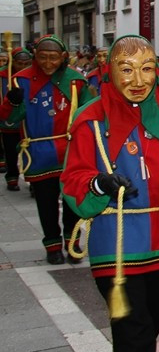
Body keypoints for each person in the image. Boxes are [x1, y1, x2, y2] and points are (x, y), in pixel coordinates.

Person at [61, 35, 159, 352]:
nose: (138, 79)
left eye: (146, 68)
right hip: (116, 249)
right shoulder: (91, 120)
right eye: (126, 69)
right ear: (110, 70)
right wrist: (98, 184)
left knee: (148, 330)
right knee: (132, 336)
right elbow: (72, 182)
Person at [0, 35, 94, 264]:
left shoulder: (76, 81)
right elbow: (9, 120)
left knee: (73, 201)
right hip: (40, 152)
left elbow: (88, 115)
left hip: (71, 151)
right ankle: (52, 245)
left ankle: (72, 242)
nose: (48, 63)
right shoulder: (21, 81)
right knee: (46, 201)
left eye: (53, 58)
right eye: (43, 57)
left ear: (63, 57)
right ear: (35, 57)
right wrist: (11, 102)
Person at [1, 48, 31, 191]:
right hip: (9, 123)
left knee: (32, 151)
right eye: (20, 63)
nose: (23, 67)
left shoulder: (33, 76)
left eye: (27, 63)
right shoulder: (3, 76)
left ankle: (34, 180)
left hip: (30, 122)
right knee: (11, 152)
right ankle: (12, 176)